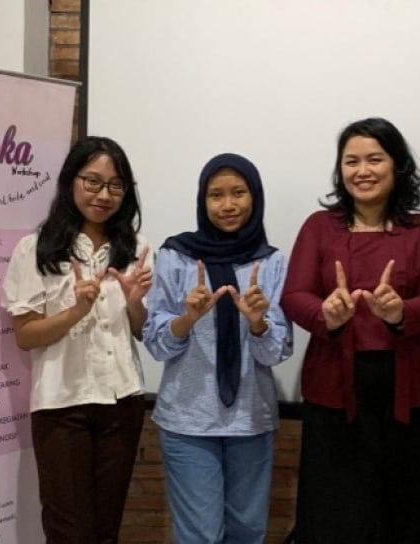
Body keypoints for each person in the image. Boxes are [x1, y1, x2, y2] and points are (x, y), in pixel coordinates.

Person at [281, 117, 420, 544]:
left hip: (409, 390)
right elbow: (294, 294)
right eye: (351, 161)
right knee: (337, 508)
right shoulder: (319, 226)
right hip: (334, 388)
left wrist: (400, 312)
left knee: (408, 508)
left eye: (375, 159)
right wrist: (325, 314)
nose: (363, 170)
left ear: (397, 166)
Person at [1, 136, 152, 543]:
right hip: (61, 406)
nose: (104, 195)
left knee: (106, 530)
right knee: (68, 531)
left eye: (116, 185)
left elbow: (140, 330)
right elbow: (25, 335)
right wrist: (75, 312)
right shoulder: (36, 249)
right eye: (93, 181)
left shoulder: (136, 250)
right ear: (71, 180)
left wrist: (135, 303)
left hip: (122, 402)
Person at [142, 153, 293, 544]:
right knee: (201, 536)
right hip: (187, 420)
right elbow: (156, 343)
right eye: (216, 195)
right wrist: (186, 318)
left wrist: (258, 323)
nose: (228, 205)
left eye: (238, 193)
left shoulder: (271, 262)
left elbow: (277, 352)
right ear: (202, 200)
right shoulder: (176, 256)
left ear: (255, 196)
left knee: (248, 532)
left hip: (251, 419)